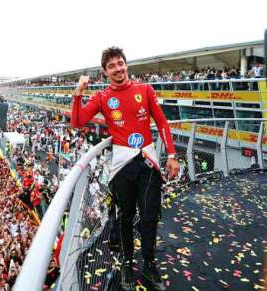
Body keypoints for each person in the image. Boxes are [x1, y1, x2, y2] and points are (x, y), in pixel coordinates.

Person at [71, 46, 179, 290]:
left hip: (148, 162)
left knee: (150, 216)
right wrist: (79, 92)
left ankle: (150, 262)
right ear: (105, 71)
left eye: (120, 63)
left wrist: (172, 154)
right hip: (121, 166)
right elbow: (77, 121)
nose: (117, 68)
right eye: (112, 66)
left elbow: (162, 121)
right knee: (125, 218)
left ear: (126, 65)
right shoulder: (101, 97)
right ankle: (127, 263)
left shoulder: (145, 89)